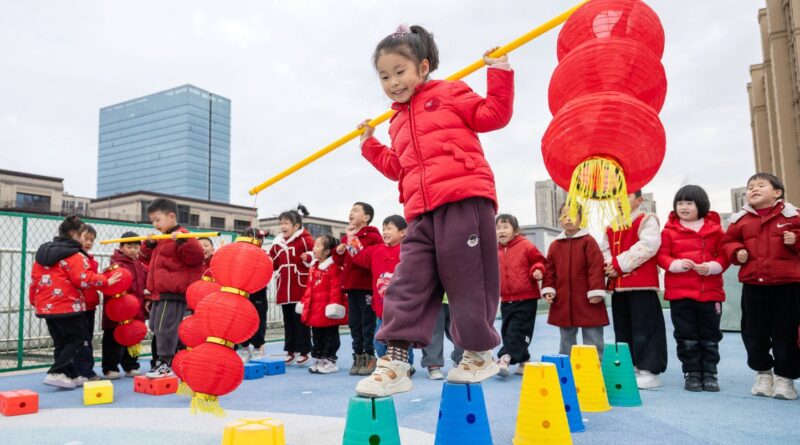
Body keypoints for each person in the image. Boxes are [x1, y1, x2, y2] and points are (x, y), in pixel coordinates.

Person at [355, 24, 514, 397]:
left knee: (468, 280)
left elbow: (494, 115)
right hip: (419, 212)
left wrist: (500, 71)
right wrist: (369, 145)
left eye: (400, 72)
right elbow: (399, 167)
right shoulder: (395, 122)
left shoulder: (450, 92)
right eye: (384, 76)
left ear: (423, 68)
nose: (393, 83)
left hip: (463, 198)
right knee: (406, 282)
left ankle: (478, 352)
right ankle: (395, 360)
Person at [722, 173, 800, 400]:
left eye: (760, 185)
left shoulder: (794, 216)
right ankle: (763, 373)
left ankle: (785, 378)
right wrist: (737, 252)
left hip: (787, 287)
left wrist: (796, 240)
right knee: (753, 333)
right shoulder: (740, 220)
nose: (754, 189)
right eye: (750, 187)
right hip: (754, 286)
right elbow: (727, 241)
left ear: (777, 192)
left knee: (786, 333)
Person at [29, 216, 120, 389]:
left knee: (61, 342)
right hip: (67, 306)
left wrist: (35, 301)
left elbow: (34, 281)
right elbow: (83, 278)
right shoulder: (74, 254)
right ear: (73, 234)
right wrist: (106, 281)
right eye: (83, 236)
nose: (85, 241)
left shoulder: (42, 256)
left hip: (47, 307)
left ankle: (71, 374)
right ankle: (57, 372)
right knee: (77, 339)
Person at [658, 185, 728, 392]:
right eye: (680, 203)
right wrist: (676, 264)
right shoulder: (669, 231)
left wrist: (713, 267)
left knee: (710, 335)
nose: (684, 207)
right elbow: (662, 256)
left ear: (701, 205)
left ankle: (710, 373)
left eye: (689, 203)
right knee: (686, 335)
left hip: (710, 292)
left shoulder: (716, 230)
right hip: (680, 293)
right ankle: (692, 372)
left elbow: (724, 255)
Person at [602, 190, 668, 389]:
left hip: (641, 285)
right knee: (623, 328)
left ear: (639, 200)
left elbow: (649, 246)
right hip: (619, 286)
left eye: (626, 196)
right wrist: (608, 264)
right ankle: (630, 365)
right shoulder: (610, 226)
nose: (619, 201)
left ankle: (650, 370)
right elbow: (604, 249)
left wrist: (617, 264)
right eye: (615, 197)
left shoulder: (646, 219)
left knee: (645, 328)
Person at [139, 198, 205, 378]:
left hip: (174, 293)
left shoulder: (183, 235)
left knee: (164, 327)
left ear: (171, 216)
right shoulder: (161, 239)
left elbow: (196, 257)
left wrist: (183, 241)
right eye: (152, 220)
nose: (154, 224)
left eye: (157, 219)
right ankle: (174, 359)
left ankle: (164, 363)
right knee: (155, 325)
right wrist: (149, 244)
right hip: (159, 292)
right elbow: (144, 260)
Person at [347, 215, 415, 376]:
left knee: (403, 339)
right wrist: (350, 237)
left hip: (403, 307)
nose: (385, 232)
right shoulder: (376, 250)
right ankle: (387, 364)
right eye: (384, 228)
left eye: (389, 228)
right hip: (381, 307)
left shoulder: (409, 251)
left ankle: (407, 366)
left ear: (403, 232)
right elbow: (358, 256)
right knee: (379, 341)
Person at [542, 205, 608, 358]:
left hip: (588, 298)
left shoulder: (588, 241)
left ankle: (595, 368)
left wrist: (596, 290)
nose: (568, 218)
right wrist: (549, 289)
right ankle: (567, 369)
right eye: (564, 215)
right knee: (566, 338)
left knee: (593, 336)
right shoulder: (555, 245)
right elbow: (549, 270)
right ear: (559, 220)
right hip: (563, 298)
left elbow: (596, 267)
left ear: (581, 218)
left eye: (572, 214)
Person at [332, 202, 382, 376]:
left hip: (366, 287)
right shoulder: (348, 237)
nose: (351, 213)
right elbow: (341, 263)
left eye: (355, 210)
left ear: (366, 217)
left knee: (367, 324)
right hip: (352, 287)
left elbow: (368, 260)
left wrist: (351, 241)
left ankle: (369, 356)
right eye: (350, 210)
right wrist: (338, 252)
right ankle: (358, 356)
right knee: (354, 324)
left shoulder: (373, 237)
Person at [495, 214, 545, 377]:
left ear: (516, 231)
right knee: (508, 330)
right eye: (498, 228)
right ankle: (524, 359)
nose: (501, 231)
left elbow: (539, 261)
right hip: (506, 298)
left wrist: (537, 269)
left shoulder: (525, 245)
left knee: (517, 330)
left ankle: (504, 358)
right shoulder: (495, 250)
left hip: (526, 297)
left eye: (505, 227)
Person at [269, 210, 315, 366]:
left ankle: (304, 351)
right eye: (281, 223)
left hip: (299, 288)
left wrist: (308, 258)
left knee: (300, 321)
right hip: (284, 288)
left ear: (296, 226)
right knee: (288, 321)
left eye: (286, 223)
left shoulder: (305, 240)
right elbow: (271, 262)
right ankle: (290, 351)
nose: (283, 226)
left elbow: (317, 255)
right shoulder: (277, 244)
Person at [102, 231, 148, 379]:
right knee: (113, 337)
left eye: (136, 247)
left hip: (136, 308)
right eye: (129, 246)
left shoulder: (141, 265)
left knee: (134, 337)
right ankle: (110, 368)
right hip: (119, 309)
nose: (133, 250)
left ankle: (131, 365)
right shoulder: (115, 265)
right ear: (121, 247)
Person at [299, 235, 348, 374]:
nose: (313, 248)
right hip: (315, 309)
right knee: (317, 335)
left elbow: (335, 288)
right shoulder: (314, 267)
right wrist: (304, 302)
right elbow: (308, 288)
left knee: (330, 335)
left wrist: (334, 305)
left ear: (327, 251)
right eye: (314, 245)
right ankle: (319, 357)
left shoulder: (333, 267)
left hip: (327, 309)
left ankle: (330, 360)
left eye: (317, 246)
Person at [74, 225, 102, 384]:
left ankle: (84, 370)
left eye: (92, 240)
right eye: (85, 238)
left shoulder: (91, 260)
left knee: (87, 339)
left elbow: (94, 280)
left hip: (89, 305)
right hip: (77, 306)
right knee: (81, 340)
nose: (89, 242)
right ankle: (85, 372)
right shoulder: (74, 259)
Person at [238, 227, 270, 362]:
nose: (255, 241)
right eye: (251, 237)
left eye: (258, 238)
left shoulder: (265, 255)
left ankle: (257, 349)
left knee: (259, 321)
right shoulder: (238, 254)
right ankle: (245, 349)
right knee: (241, 321)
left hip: (259, 293)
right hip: (241, 293)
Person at [420, 297, 464, 380]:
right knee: (433, 331)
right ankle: (433, 365)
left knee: (461, 331)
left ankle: (462, 360)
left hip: (456, 296)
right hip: (432, 297)